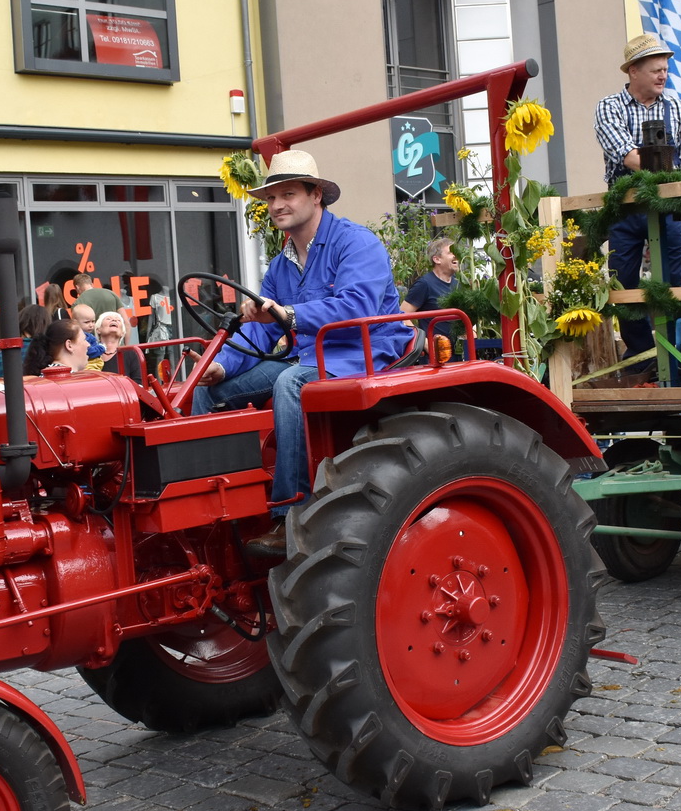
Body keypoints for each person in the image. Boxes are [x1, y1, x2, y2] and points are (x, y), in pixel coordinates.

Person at [192, 150, 408, 559]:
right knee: (209, 392)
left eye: (287, 194)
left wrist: (288, 313)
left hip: (365, 349)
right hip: (310, 355)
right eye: (271, 198)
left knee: (290, 383)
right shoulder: (280, 265)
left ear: (315, 196)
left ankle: (290, 511)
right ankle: (209, 504)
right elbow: (259, 328)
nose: (276, 206)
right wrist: (222, 366)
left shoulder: (356, 243)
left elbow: (358, 307)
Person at [595, 32, 681, 365]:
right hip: (625, 204)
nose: (663, 76)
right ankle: (642, 356)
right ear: (633, 71)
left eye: (665, 69)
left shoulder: (676, 107)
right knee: (624, 280)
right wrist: (667, 168)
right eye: (656, 70)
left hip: (668, 203)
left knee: (677, 277)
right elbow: (627, 155)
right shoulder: (609, 107)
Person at [400, 239, 459, 315]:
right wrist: (415, 327)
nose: (456, 256)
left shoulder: (458, 282)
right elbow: (402, 315)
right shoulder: (424, 284)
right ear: (437, 259)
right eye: (450, 253)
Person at [94, 310, 144, 382]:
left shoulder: (130, 354)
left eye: (118, 320)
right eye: (108, 319)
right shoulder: (90, 354)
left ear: (122, 333)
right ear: (98, 329)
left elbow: (138, 383)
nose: (114, 320)